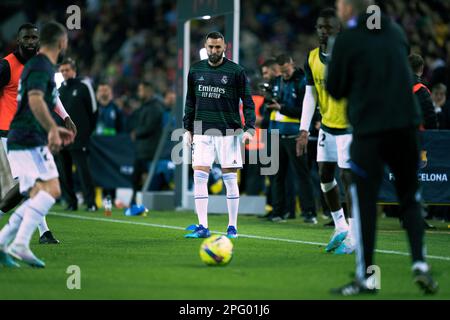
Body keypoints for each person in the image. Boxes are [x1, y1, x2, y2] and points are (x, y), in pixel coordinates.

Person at [327, 0, 438, 295]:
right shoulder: (396, 32)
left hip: (370, 130)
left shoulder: (346, 38)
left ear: (349, 8)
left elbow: (335, 89)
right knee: (410, 197)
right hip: (406, 127)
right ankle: (420, 263)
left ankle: (367, 278)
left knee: (364, 203)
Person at [0, 21, 74, 268]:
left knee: (37, 191)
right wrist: (53, 128)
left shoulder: (38, 65)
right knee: (44, 190)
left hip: (25, 135)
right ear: (61, 43)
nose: (31, 42)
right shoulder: (38, 65)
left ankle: (8, 242)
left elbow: (49, 98)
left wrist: (64, 119)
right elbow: (34, 99)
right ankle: (21, 242)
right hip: (24, 136)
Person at [183, 31, 255, 239]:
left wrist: (249, 128)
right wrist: (187, 128)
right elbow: (190, 101)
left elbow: (248, 101)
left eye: (217, 47)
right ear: (205, 47)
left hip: (229, 132)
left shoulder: (236, 71)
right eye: (210, 47)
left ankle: (232, 226)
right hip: (202, 130)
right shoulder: (195, 70)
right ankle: (202, 226)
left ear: (225, 47)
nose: (214, 51)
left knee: (230, 179)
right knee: (199, 176)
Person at [297, 8, 355, 254]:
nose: (323, 32)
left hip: (350, 126)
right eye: (320, 27)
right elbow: (310, 95)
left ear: (338, 30)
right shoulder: (311, 58)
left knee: (348, 178)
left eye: (329, 28)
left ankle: (353, 235)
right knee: (324, 174)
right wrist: (303, 129)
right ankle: (340, 225)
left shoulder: (350, 55)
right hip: (327, 125)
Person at [266, 54, 317, 223]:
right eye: (281, 71)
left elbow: (305, 109)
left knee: (302, 175)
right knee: (277, 176)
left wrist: (282, 108)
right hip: (277, 134)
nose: (284, 74)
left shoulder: (303, 81)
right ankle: (278, 212)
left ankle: (309, 212)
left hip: (296, 135)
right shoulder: (278, 81)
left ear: (291, 64)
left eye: (286, 70)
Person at [56, 58, 98, 212]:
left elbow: (93, 111)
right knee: (65, 173)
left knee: (83, 171)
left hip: (79, 138)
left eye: (67, 70)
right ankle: (71, 202)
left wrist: (86, 133)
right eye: (62, 71)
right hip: (62, 139)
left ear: (74, 70)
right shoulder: (59, 89)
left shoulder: (84, 85)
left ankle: (91, 202)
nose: (64, 73)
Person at [129, 81, 163, 205]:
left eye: (141, 90)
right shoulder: (145, 106)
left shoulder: (155, 107)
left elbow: (150, 126)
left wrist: (136, 133)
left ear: (148, 91)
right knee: (137, 178)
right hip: (143, 149)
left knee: (141, 178)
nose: (139, 93)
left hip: (149, 150)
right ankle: (135, 202)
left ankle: (138, 202)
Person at [95, 82, 124, 201]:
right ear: (97, 93)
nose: (103, 93)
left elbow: (121, 127)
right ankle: (98, 197)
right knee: (98, 170)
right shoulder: (94, 108)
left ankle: (111, 197)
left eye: (105, 90)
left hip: (112, 146)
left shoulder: (116, 109)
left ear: (110, 93)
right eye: (101, 90)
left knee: (112, 171)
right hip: (97, 145)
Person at [408, 53, 437, 129]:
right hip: (419, 135)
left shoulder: (397, 88)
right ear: (421, 68)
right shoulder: (422, 90)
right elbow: (431, 118)